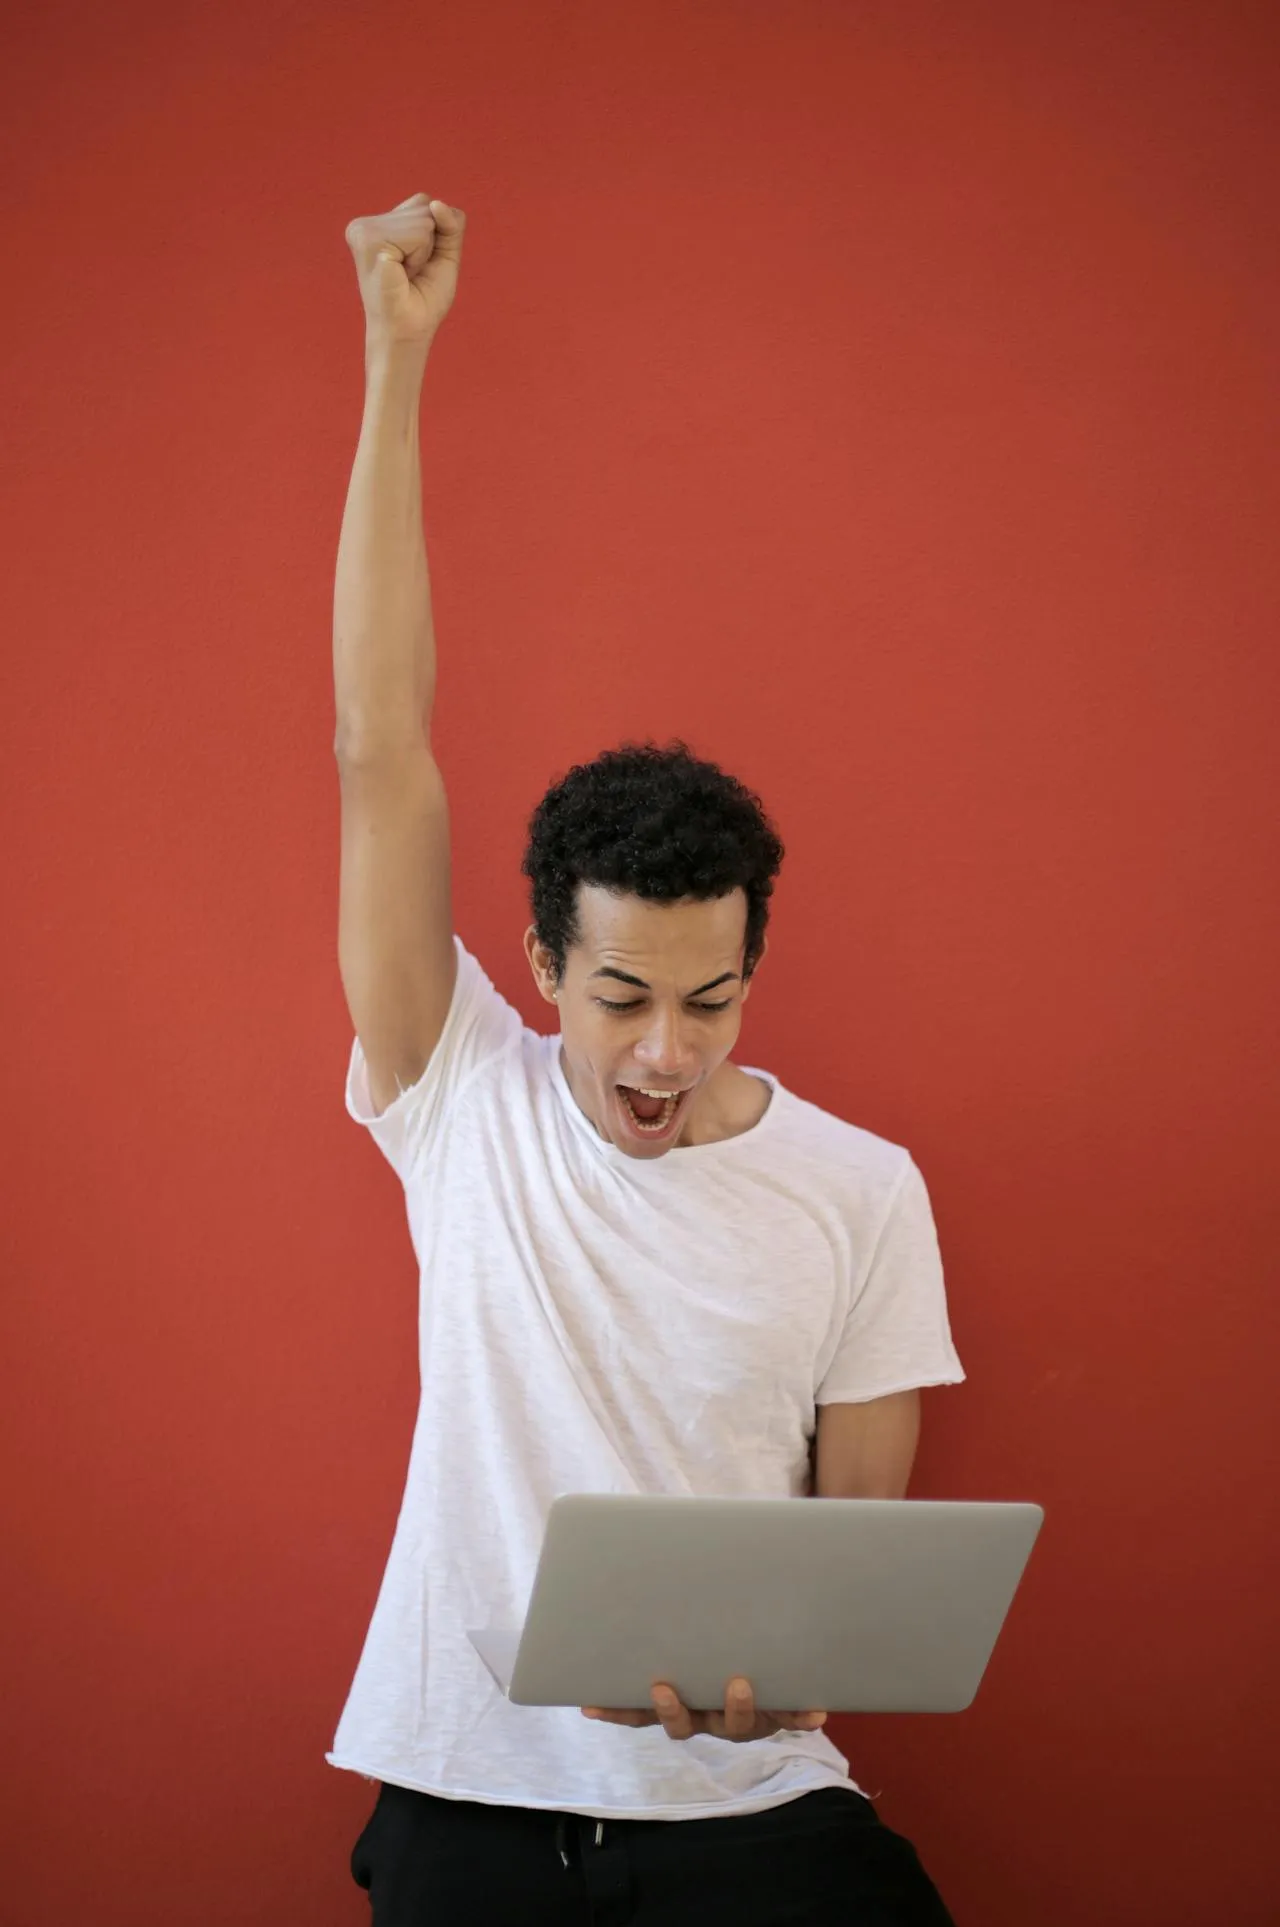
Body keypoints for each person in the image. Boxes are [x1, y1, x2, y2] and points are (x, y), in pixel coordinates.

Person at [329, 192, 964, 1926]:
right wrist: (398, 359)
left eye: (713, 995)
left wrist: (792, 1680)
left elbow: (847, 1589)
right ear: (538, 964)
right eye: (618, 997)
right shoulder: (462, 1091)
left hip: (755, 1813)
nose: (664, 1053)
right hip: (473, 1800)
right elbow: (380, 746)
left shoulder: (861, 1190)